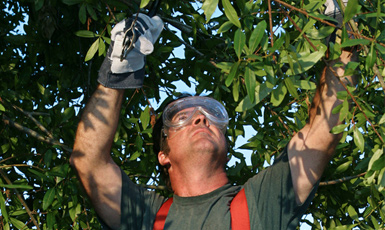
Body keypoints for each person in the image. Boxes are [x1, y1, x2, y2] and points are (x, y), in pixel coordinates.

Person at [70, 1, 357, 229]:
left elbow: (323, 129)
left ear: (228, 147)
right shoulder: (146, 217)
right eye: (180, 117)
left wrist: (346, 25)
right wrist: (117, 73)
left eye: (212, 114)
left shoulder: (261, 202)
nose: (201, 118)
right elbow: (89, 160)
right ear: (163, 155)